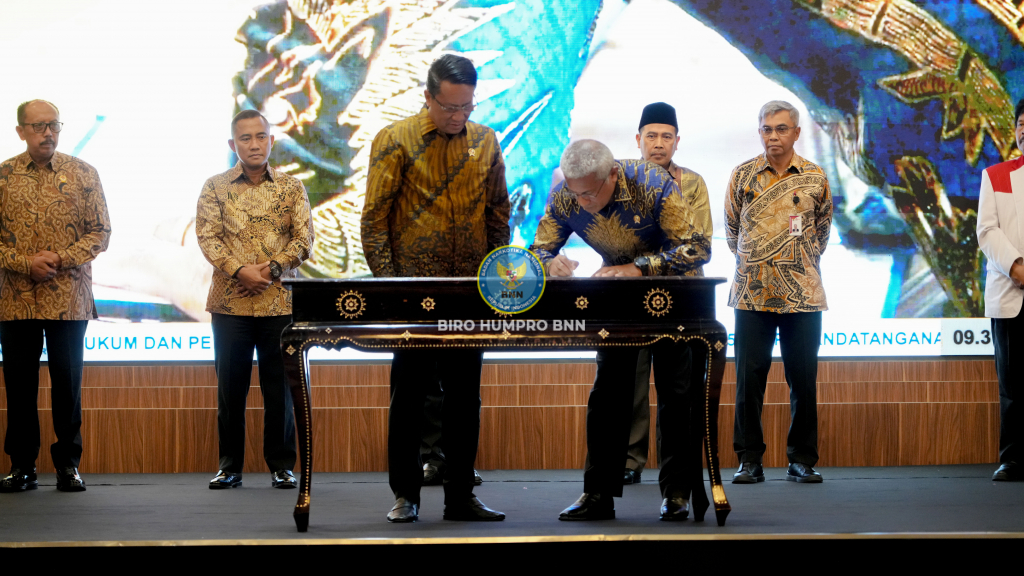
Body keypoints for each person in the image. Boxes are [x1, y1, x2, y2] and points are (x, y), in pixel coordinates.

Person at [362, 54, 510, 523]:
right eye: (449, 107)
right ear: (427, 97)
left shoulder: (485, 141)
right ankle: (405, 495)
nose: (458, 116)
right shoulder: (395, 139)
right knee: (409, 395)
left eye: (467, 106)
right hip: (411, 293)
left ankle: (460, 495)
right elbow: (374, 221)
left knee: (465, 397)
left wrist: (493, 280)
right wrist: (390, 289)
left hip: (469, 293)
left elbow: (498, 214)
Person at [531, 139, 711, 521]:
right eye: (575, 193)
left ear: (613, 174)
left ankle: (677, 492)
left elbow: (697, 248)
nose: (582, 202)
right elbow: (538, 250)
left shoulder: (652, 182)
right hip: (617, 297)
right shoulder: (567, 194)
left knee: (676, 393)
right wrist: (550, 263)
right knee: (608, 394)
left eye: (589, 194)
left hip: (672, 295)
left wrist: (639, 268)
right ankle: (598, 493)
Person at [196, 109, 313, 490]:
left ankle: (281, 466)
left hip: (278, 303)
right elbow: (207, 237)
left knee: (280, 390)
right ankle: (229, 466)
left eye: (261, 136)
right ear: (233, 144)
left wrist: (270, 270)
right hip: (230, 304)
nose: (254, 144)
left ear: (271, 141)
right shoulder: (215, 187)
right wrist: (239, 271)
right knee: (230, 390)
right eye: (245, 138)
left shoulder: (291, 187)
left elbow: (304, 240)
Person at [0, 100, 111, 493]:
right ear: (21, 131)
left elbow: (101, 232)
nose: (48, 133)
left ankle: (68, 466)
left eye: (54, 125)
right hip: (15, 299)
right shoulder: (3, 176)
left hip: (68, 299)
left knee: (68, 385)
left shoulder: (83, 173)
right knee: (19, 387)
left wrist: (61, 258)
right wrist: (24, 263)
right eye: (38, 126)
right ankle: (22, 467)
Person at [726, 100, 832, 484]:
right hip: (752, 293)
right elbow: (732, 232)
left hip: (802, 295)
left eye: (781, 129)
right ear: (760, 132)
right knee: (748, 381)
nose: (773, 136)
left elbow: (822, 232)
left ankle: (801, 459)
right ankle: (749, 460)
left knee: (802, 380)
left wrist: (797, 262)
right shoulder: (743, 176)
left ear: (796, 133)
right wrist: (759, 263)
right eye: (767, 129)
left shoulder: (815, 176)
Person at [610, 102, 713, 485]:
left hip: (683, 296)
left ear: (677, 141)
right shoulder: (619, 181)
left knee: (679, 388)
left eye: (666, 136)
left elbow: (698, 241)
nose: (658, 143)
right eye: (651, 136)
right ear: (638, 139)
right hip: (632, 298)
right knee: (631, 384)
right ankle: (629, 460)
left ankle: (679, 470)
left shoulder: (693, 183)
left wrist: (646, 260)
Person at [976, 98, 1024, 482]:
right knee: (1012, 384)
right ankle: (1012, 458)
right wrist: (1017, 267)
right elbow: (987, 231)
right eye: (1022, 124)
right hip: (1011, 292)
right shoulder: (997, 175)